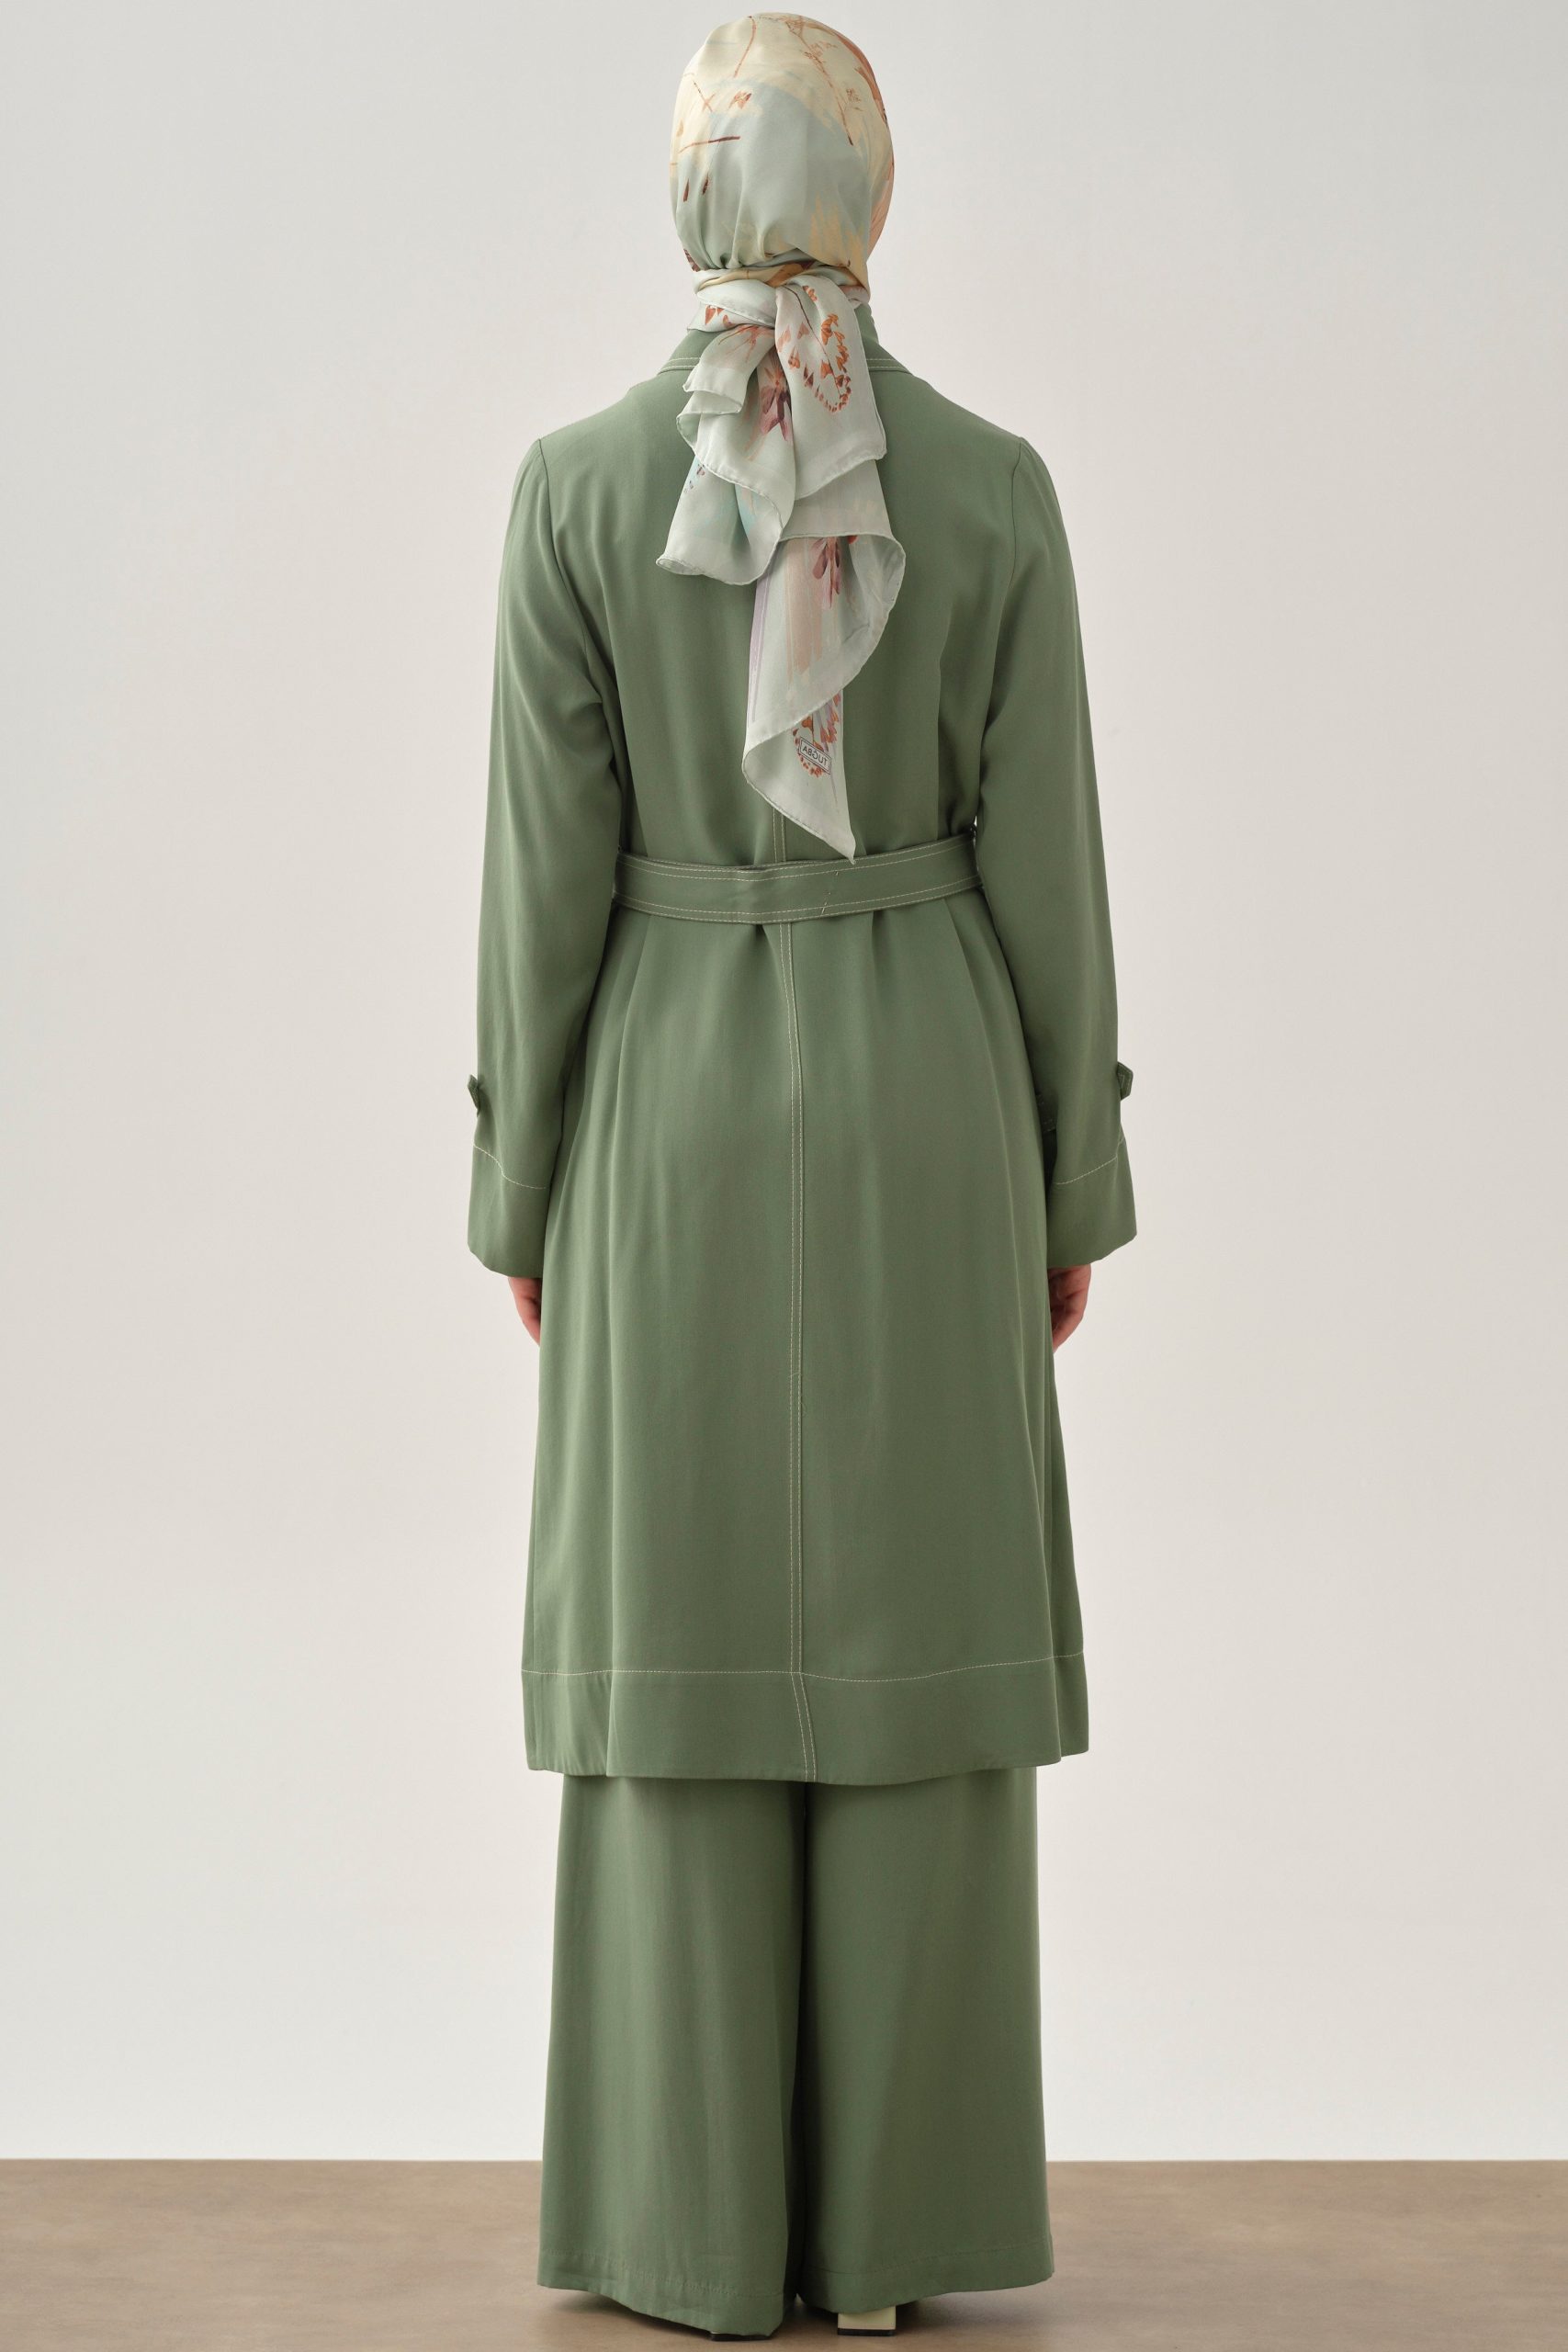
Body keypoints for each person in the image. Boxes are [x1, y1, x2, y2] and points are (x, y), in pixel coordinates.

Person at [467, 15, 1135, 2339]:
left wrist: (519, 1191)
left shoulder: (572, 496)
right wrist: (1066, 1179)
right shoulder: (996, 491)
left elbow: (537, 892)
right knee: (909, 1654)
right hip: (925, 1104)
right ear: (871, 190)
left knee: (676, 1663)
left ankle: (688, 2226)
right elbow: (1048, 876)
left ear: (685, 186)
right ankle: (898, 2227)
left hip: (657, 1110)